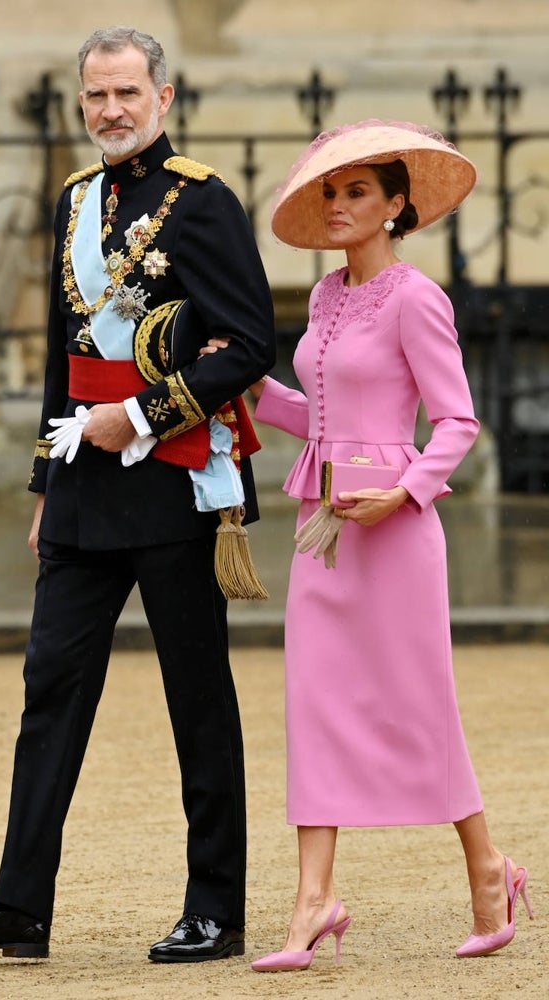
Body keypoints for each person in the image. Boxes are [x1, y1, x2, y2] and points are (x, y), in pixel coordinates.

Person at [0, 26, 275, 964]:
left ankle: (216, 909)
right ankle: (19, 906)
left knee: (196, 698)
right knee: (50, 689)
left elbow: (250, 343)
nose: (110, 112)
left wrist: (149, 416)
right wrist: (46, 481)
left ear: (163, 95)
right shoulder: (75, 201)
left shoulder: (204, 204)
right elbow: (60, 362)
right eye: (96, 96)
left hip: (171, 486)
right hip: (83, 493)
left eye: (126, 93)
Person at [204, 120, 533, 972]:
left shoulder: (419, 297)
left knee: (420, 701)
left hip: (397, 530)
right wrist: (242, 382)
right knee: (316, 703)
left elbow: (458, 419)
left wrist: (409, 490)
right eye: (332, 191)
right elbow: (310, 415)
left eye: (359, 192)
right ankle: (314, 901)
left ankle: (488, 866)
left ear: (396, 207)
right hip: (325, 531)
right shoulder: (320, 298)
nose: (341, 205)